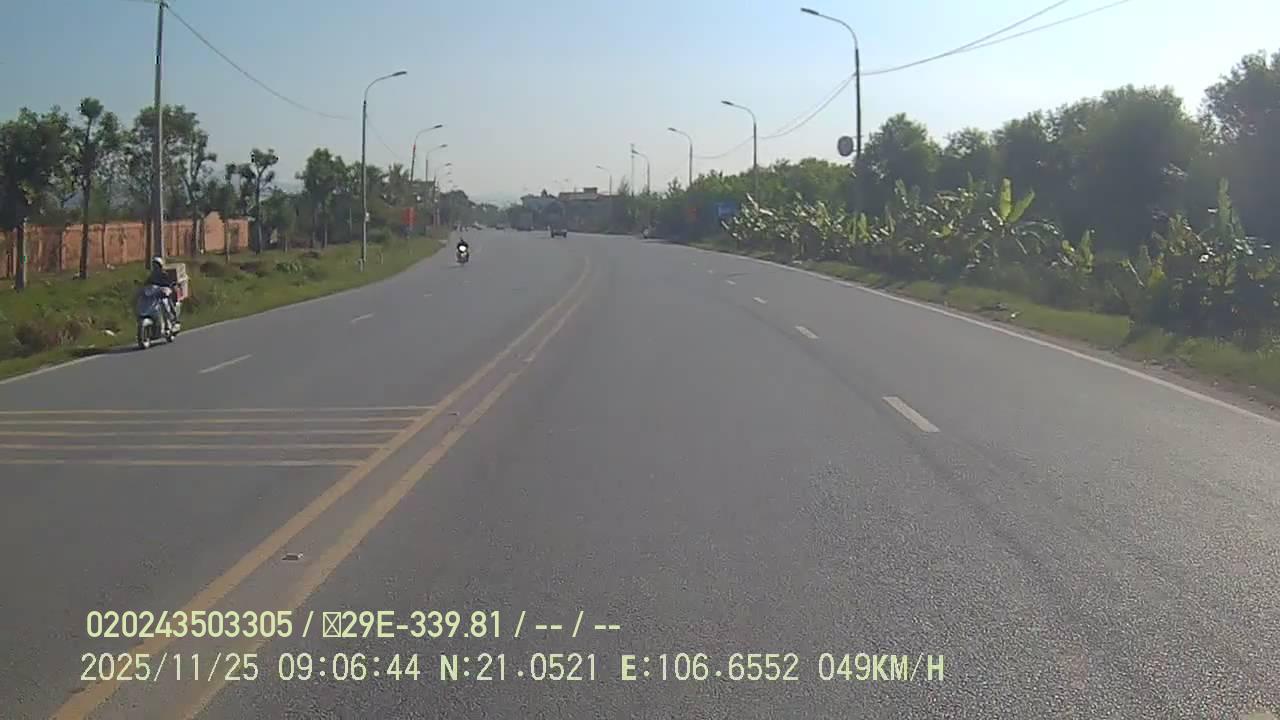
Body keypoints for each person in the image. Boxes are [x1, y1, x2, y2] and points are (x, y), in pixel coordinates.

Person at [144, 257, 180, 325]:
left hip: (164, 291)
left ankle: (174, 316)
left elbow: (170, 282)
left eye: (156, 265)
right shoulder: (152, 275)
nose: (155, 267)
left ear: (160, 266)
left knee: (166, 301)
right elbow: (147, 282)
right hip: (155, 293)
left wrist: (171, 285)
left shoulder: (164, 274)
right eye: (154, 265)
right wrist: (143, 284)